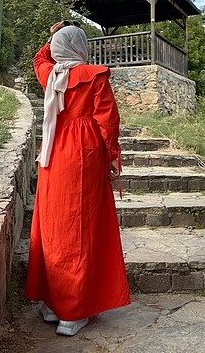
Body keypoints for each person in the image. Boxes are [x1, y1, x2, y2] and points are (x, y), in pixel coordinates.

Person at [25, 21, 131, 337]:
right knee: (79, 230)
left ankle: (52, 304)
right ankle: (71, 312)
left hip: (53, 153)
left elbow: (39, 59)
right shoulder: (94, 76)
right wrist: (113, 156)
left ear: (59, 49)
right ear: (80, 48)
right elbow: (107, 121)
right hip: (82, 154)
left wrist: (50, 37)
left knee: (55, 226)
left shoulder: (51, 76)